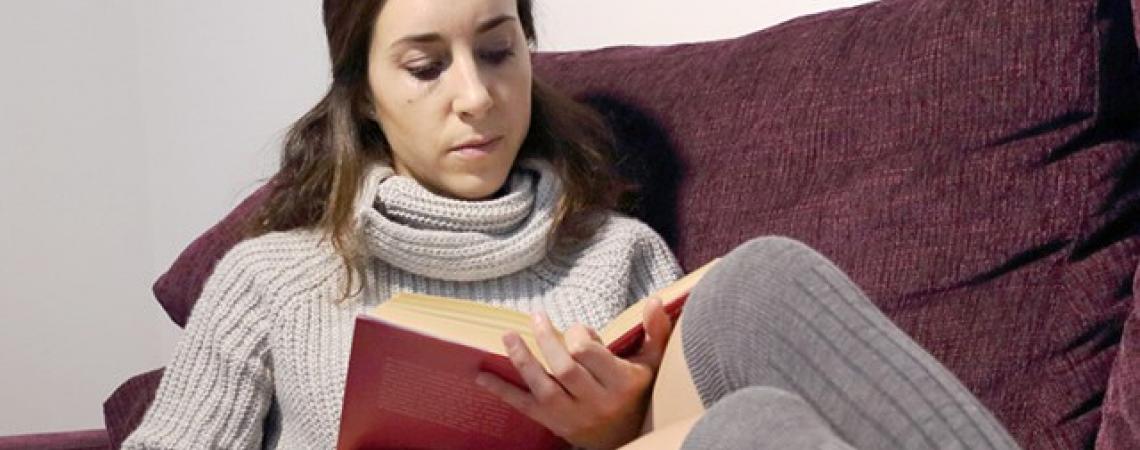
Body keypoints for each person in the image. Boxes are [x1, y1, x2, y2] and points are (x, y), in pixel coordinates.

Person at [122, 0, 1021, 449]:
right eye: (426, 67)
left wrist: (611, 429)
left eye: (497, 50)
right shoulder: (274, 277)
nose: (476, 97)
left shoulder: (621, 253)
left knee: (758, 345)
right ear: (365, 97)